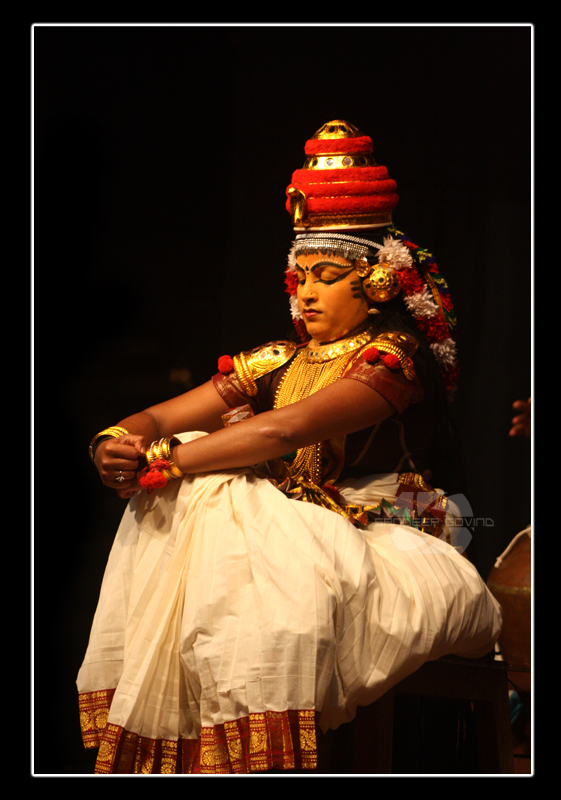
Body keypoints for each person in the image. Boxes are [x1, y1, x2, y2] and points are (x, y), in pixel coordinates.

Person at [77, 120, 502, 774]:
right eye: (297, 274)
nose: (304, 291)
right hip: (296, 540)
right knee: (219, 491)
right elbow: (158, 414)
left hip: (386, 541)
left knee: (216, 484)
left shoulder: (391, 360)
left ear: (378, 284)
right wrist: (119, 441)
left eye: (325, 275)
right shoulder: (275, 357)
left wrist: (163, 461)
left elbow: (283, 431)